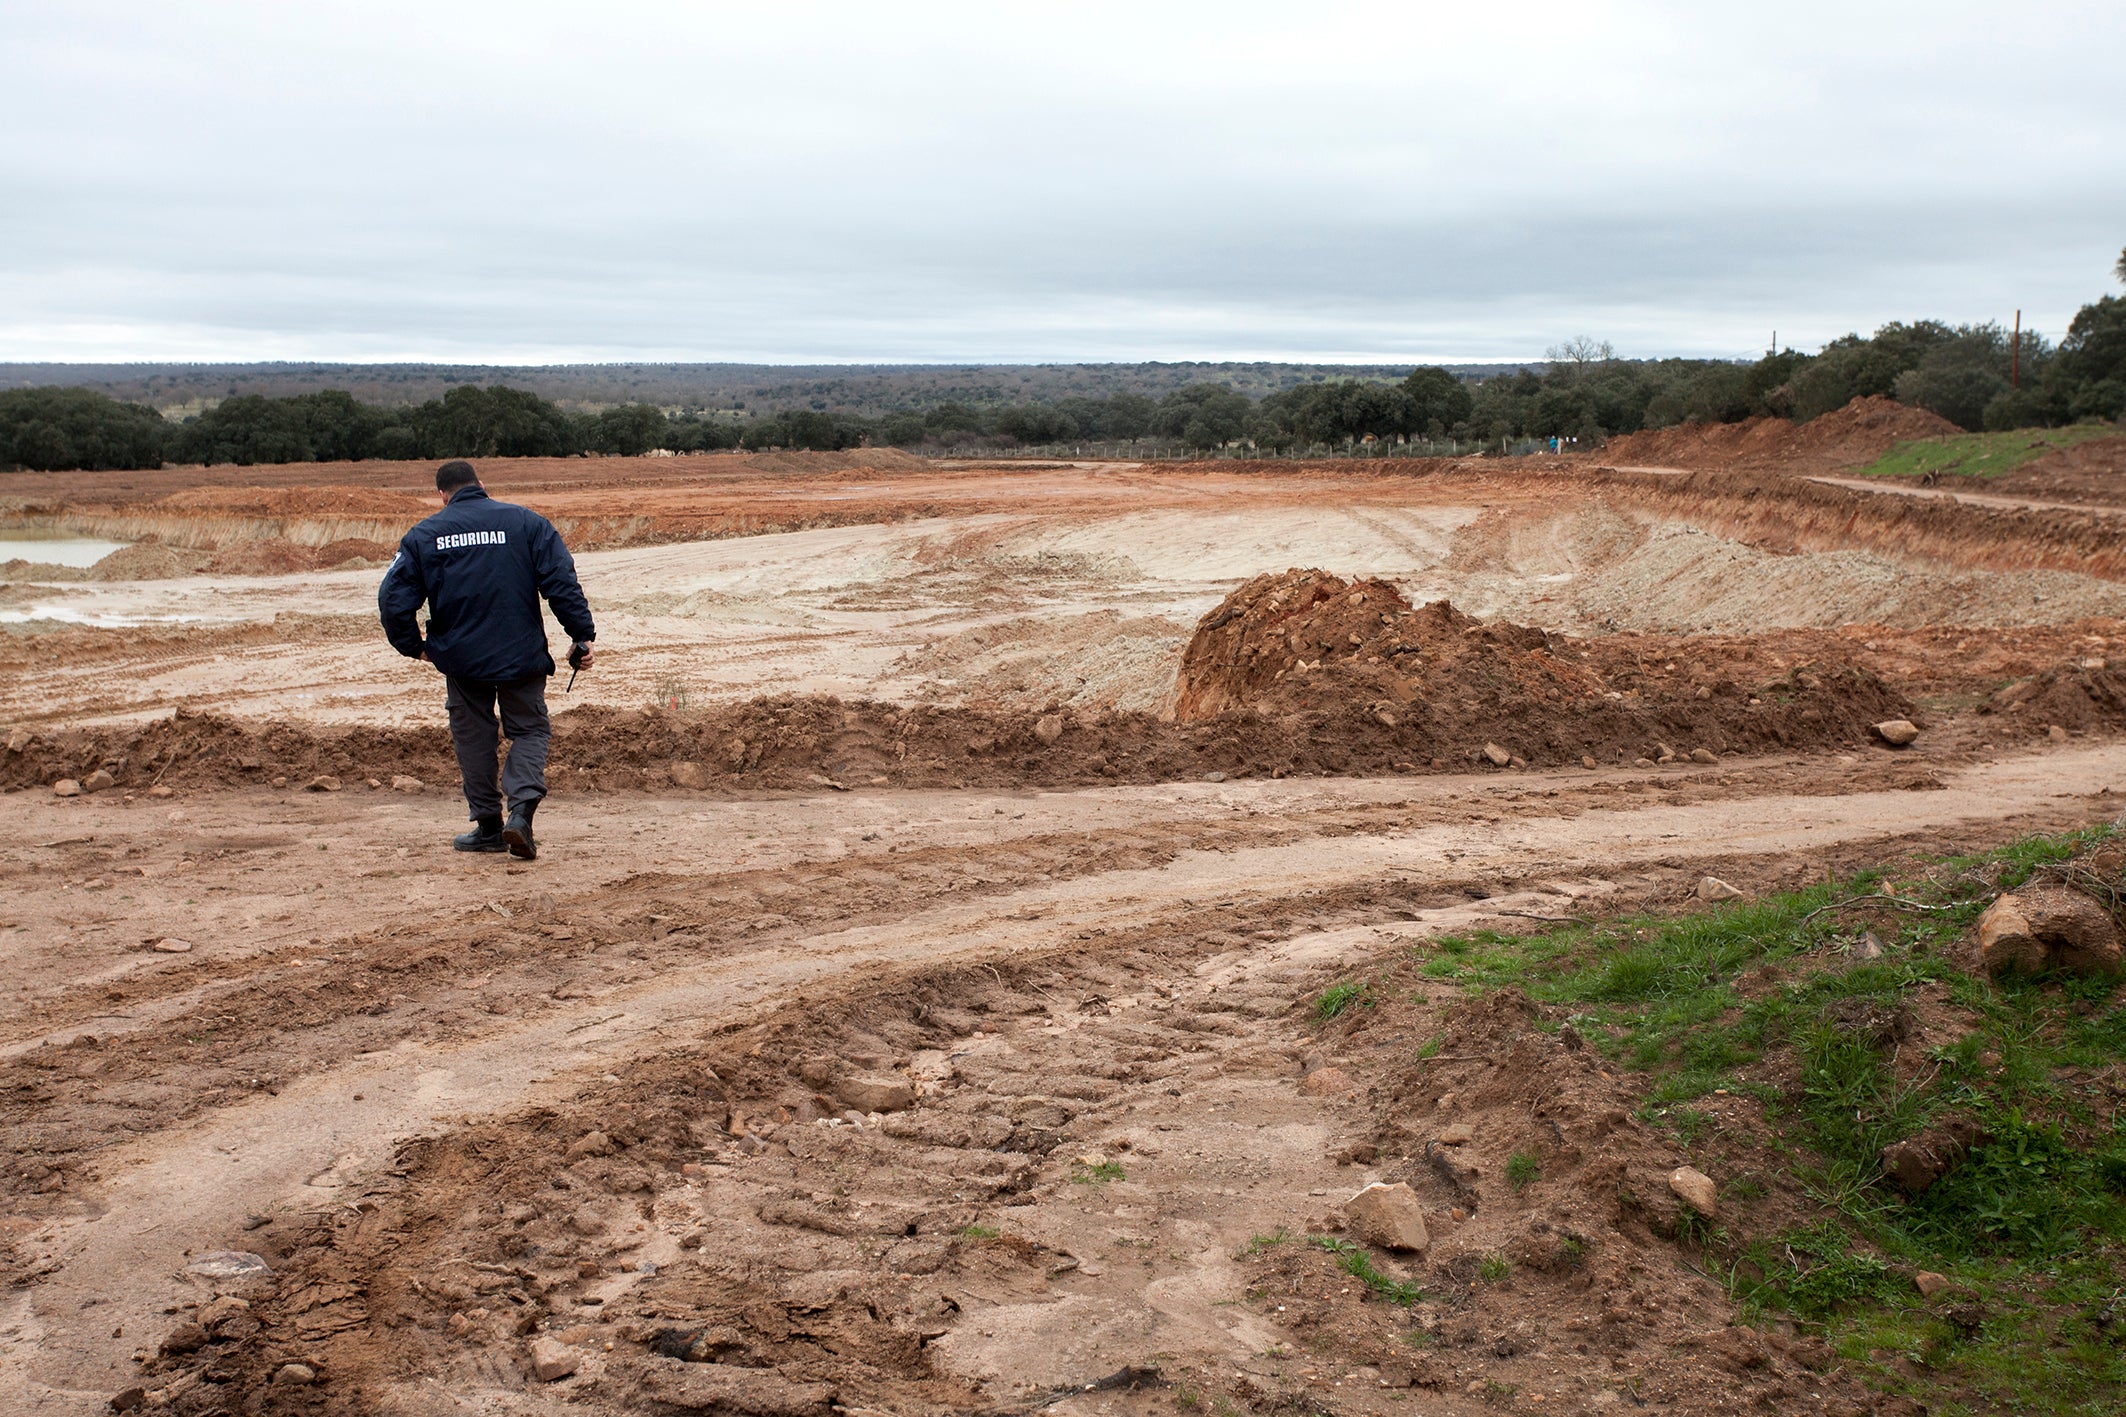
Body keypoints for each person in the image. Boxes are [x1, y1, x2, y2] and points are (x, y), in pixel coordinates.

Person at [378, 460, 596, 860]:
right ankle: (522, 816)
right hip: (521, 655)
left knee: (473, 737)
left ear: (443, 495)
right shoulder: (526, 523)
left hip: (462, 660)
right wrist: (581, 636)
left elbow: (392, 600)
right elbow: (561, 581)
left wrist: (416, 646)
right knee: (529, 731)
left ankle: (489, 827)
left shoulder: (424, 535)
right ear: (482, 484)